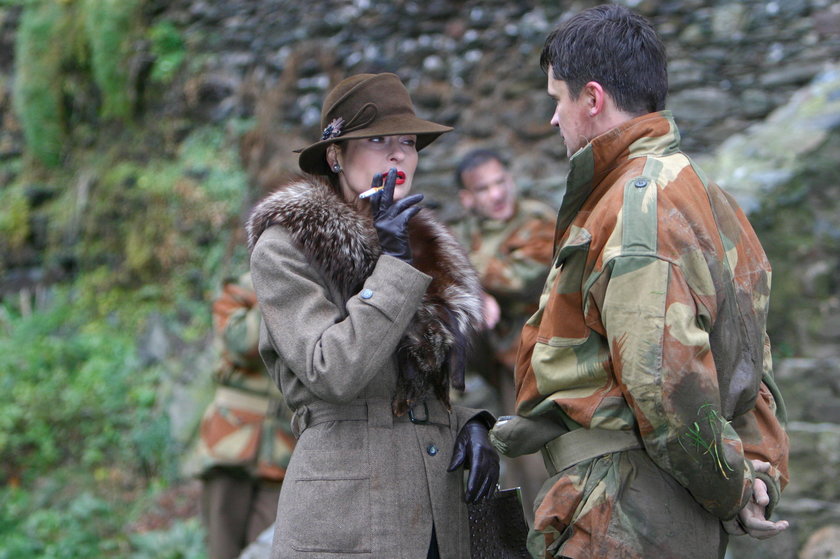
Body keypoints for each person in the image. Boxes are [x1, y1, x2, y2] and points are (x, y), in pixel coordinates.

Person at [488, 5, 790, 559]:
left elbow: (664, 383)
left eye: (557, 99)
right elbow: (752, 363)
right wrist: (755, 471)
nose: (554, 119)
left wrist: (734, 487)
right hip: (651, 503)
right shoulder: (704, 195)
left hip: (624, 509)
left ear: (593, 98)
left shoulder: (638, 205)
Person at [246, 72, 500, 559]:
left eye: (408, 141)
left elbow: (417, 386)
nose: (398, 153)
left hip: (437, 517)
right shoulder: (288, 247)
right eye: (377, 139)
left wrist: (467, 422)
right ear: (336, 155)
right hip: (347, 517)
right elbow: (333, 372)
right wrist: (394, 268)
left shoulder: (426, 244)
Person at [451, 148, 555, 520]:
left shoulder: (537, 219)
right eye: (483, 189)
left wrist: (463, 273)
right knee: (514, 459)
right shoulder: (466, 231)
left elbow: (520, 278)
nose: (497, 195)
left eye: (500, 183)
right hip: (496, 363)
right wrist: (474, 292)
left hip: (539, 360)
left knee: (535, 461)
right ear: (467, 199)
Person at [194, 273, 295, 559]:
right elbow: (242, 345)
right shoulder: (239, 288)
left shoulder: (313, 290)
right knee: (222, 551)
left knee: (273, 550)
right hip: (229, 446)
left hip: (283, 453)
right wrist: (281, 288)